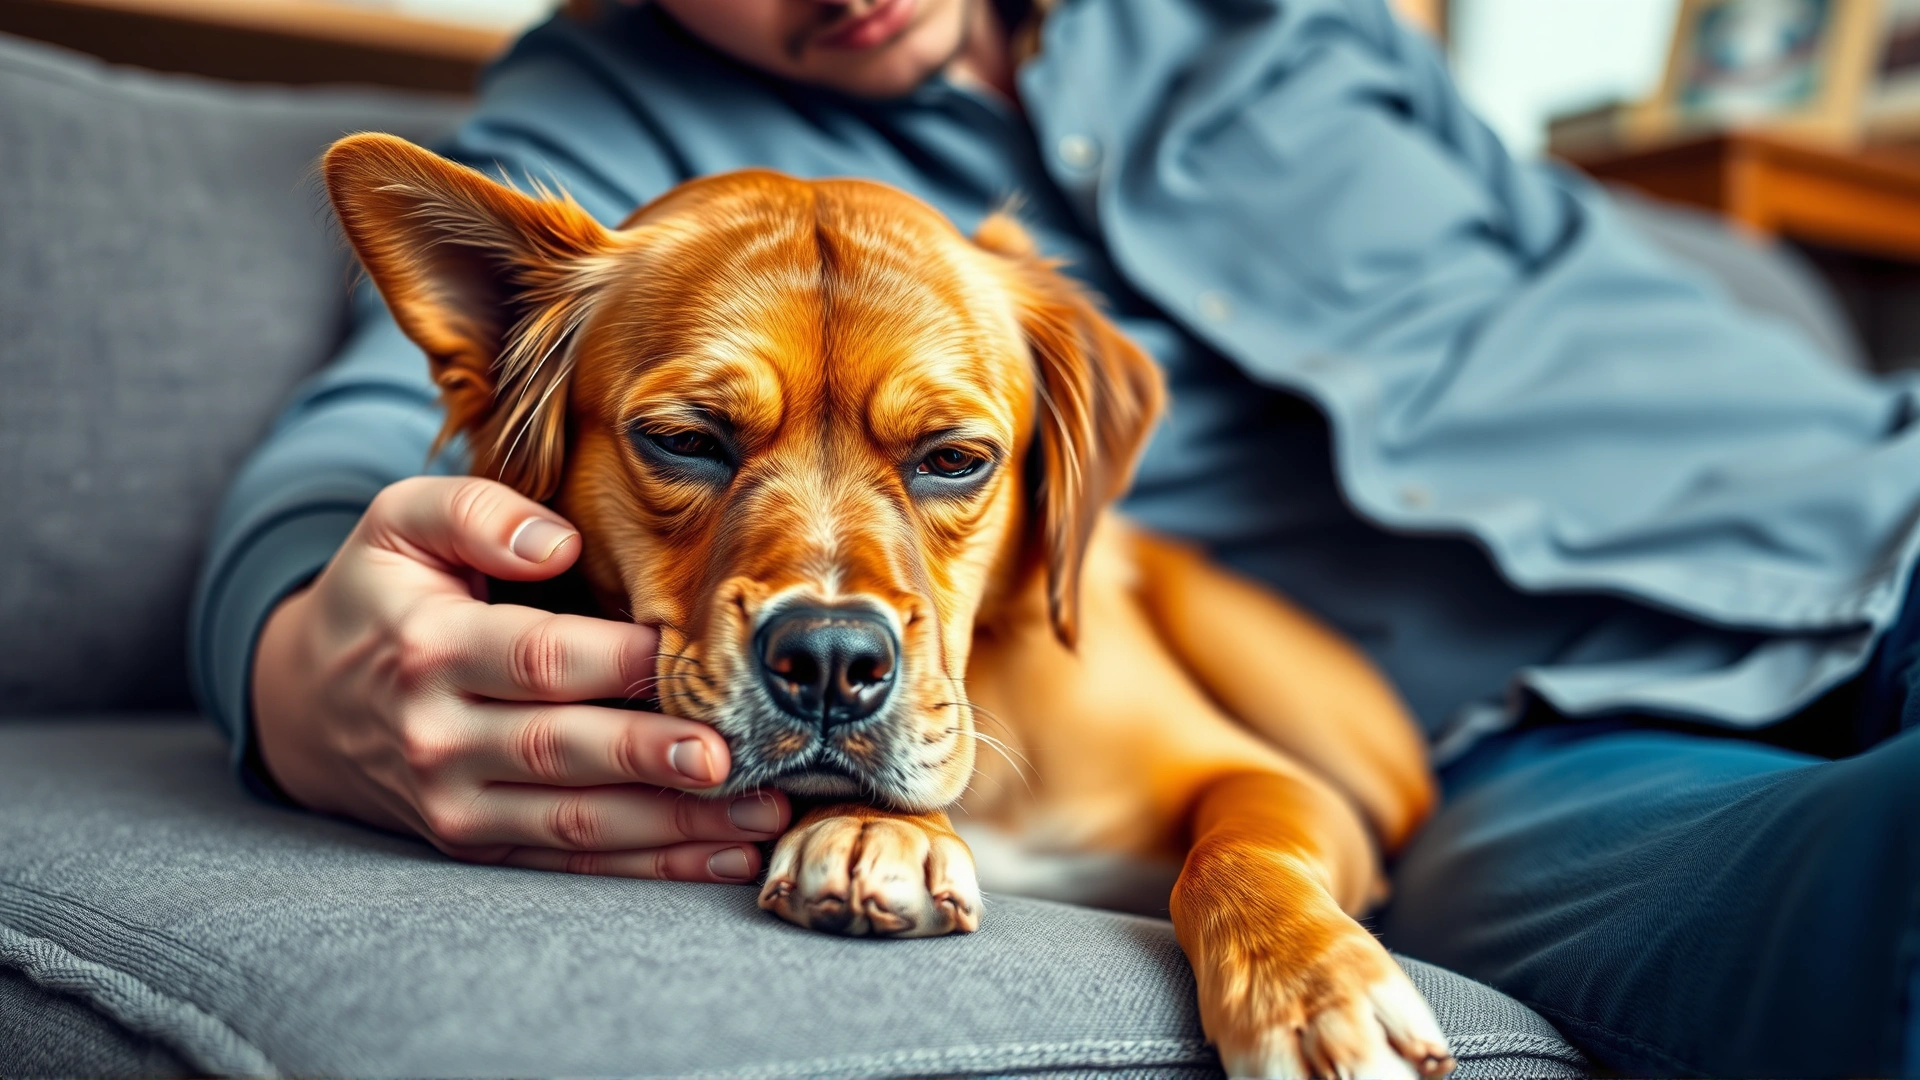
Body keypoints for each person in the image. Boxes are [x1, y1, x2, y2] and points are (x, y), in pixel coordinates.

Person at [191, 0, 1920, 1074]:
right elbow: (356, 451)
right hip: (1545, 736)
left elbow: (1560, 246)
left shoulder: (1301, 23)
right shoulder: (615, 133)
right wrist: (295, 669)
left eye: (947, 456)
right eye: (693, 441)